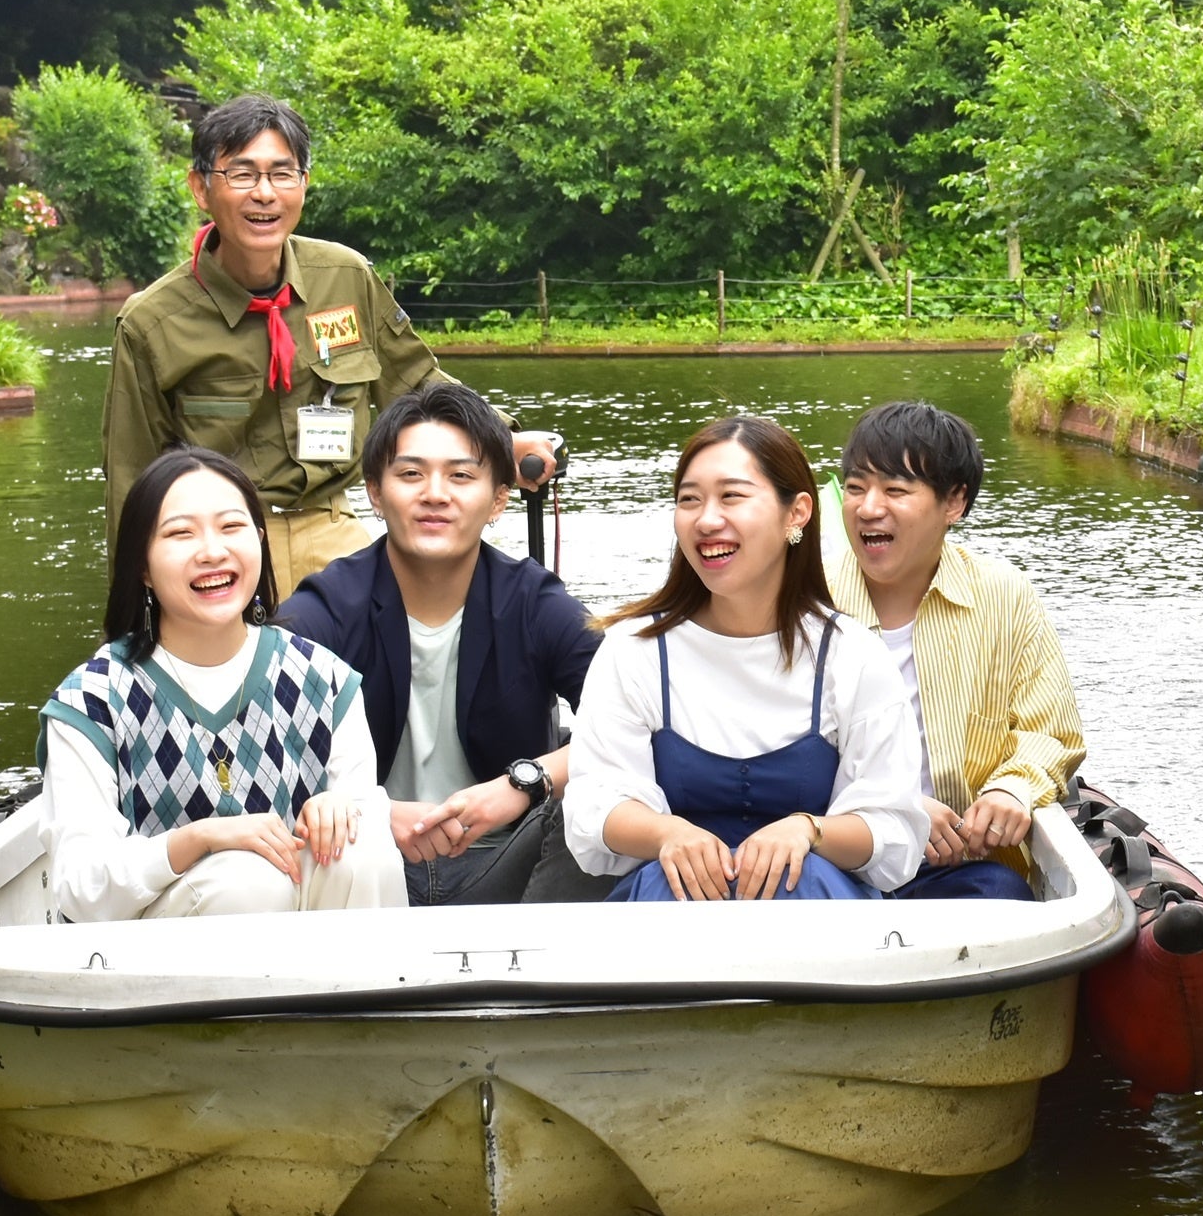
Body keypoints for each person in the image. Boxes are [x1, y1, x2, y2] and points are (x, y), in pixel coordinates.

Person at [100, 91, 554, 588]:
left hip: (334, 527)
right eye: (242, 174)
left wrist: (500, 436)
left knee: (401, 637)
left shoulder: (344, 276)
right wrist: (134, 608)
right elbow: (132, 478)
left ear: (303, 185)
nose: (265, 193)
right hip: (225, 541)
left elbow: (417, 382)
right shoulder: (151, 322)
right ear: (201, 189)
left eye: (281, 173)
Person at [564, 416, 930, 901]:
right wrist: (667, 834)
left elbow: (895, 826)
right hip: (672, 912)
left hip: (820, 916)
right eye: (689, 499)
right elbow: (595, 804)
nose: (707, 519)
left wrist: (809, 831)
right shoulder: (634, 650)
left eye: (731, 496)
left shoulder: (852, 655)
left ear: (797, 513)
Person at [39, 445, 404, 922]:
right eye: (180, 534)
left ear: (259, 541)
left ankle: (361, 997)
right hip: (150, 971)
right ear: (143, 567)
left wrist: (339, 810)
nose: (212, 551)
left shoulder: (325, 678)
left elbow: (365, 818)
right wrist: (198, 840)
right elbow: (78, 888)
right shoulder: (91, 701)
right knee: (245, 881)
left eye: (231, 527)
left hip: (318, 957)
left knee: (359, 850)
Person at [277, 383, 603, 906]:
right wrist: (375, 812)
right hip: (362, 863)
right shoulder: (327, 606)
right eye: (410, 474)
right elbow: (256, 740)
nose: (434, 493)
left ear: (499, 498)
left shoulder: (532, 600)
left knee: (601, 803)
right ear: (375, 494)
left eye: (460, 475)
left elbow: (641, 718)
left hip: (509, 857)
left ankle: (539, 973)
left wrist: (522, 785)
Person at [828, 401, 1084, 902]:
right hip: (839, 856)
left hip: (958, 862)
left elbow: (1050, 731)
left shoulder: (1003, 594)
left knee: (1001, 894)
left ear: (954, 503)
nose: (868, 507)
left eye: (895, 490)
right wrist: (896, 808)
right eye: (856, 488)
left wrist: (1012, 788)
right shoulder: (809, 601)